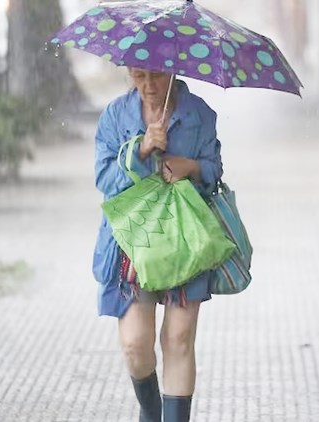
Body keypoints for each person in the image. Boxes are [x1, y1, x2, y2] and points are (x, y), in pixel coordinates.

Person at [93, 67, 223, 422]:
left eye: (157, 76)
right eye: (139, 76)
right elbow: (104, 179)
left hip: (185, 240)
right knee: (136, 345)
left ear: (173, 70)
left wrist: (191, 166)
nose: (149, 85)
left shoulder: (199, 115)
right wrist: (141, 150)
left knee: (178, 339)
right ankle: (151, 411)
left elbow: (214, 170)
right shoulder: (116, 116)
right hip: (132, 246)